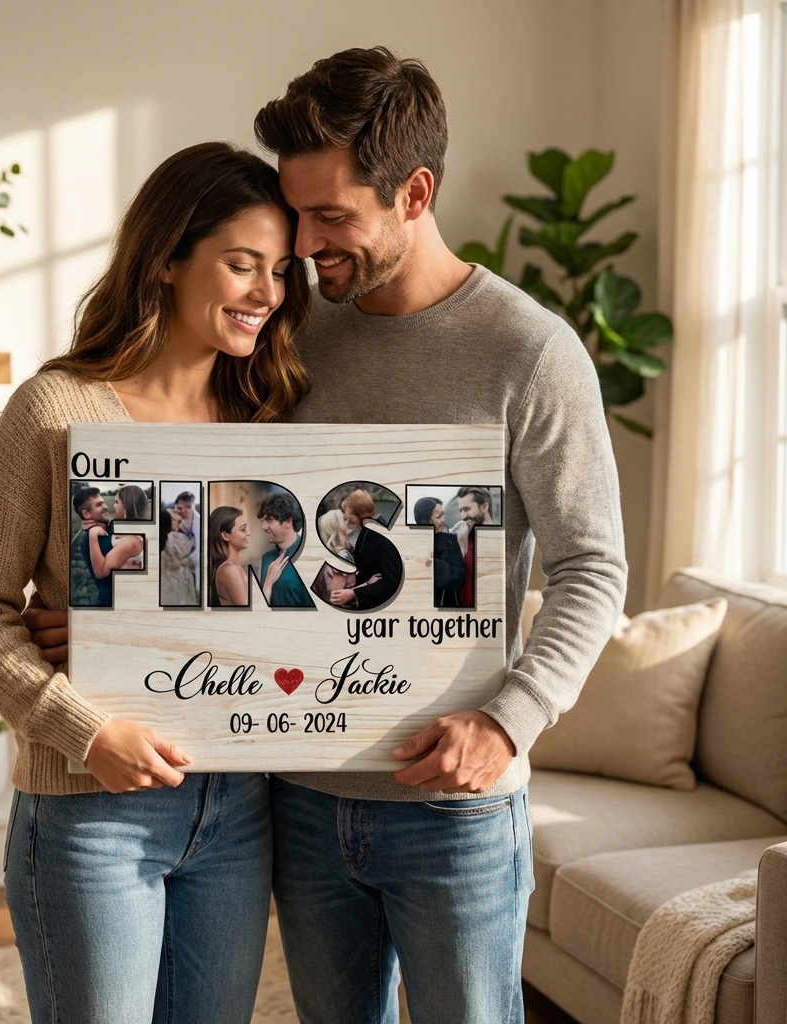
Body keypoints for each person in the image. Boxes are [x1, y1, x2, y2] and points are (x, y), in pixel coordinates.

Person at [252, 46, 627, 1024]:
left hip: (454, 811)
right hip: (299, 791)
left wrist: (510, 718)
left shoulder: (530, 351)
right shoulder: (292, 332)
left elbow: (593, 567)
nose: (301, 243)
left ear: (414, 191)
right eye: (294, 211)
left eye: (331, 215)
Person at [0, 142, 310, 1024]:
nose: (267, 292)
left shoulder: (271, 419)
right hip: (89, 813)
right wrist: (87, 727)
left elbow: (272, 611)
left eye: (283, 272)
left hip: (236, 809)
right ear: (166, 259)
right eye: (242, 264)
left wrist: (118, 628)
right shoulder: (57, 409)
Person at [329, 489, 403, 610]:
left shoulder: (381, 541)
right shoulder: (360, 537)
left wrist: (355, 594)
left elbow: (392, 583)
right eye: (345, 519)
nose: (346, 525)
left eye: (351, 521)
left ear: (365, 518)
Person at [72, 486, 144, 606]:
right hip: (114, 601)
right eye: (99, 505)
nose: (106, 507)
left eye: (104, 503)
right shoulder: (101, 539)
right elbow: (101, 572)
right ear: (86, 513)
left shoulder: (103, 531)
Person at [256, 491, 314, 608]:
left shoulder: (309, 556)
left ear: (288, 522)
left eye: (269, 520)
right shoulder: (266, 558)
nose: (263, 527)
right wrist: (267, 584)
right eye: (262, 520)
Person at [413, 495, 466, 607]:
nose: (443, 520)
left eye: (443, 515)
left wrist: (431, 562)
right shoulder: (414, 541)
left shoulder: (451, 541)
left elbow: (458, 577)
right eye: (438, 516)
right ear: (425, 520)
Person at [452, 486, 495, 608]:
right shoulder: (462, 531)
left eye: (466, 509)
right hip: (459, 615)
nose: (463, 516)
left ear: (484, 507)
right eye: (461, 510)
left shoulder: (497, 540)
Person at [208, 505, 251, 606]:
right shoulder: (230, 569)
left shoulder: (227, 567)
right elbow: (248, 613)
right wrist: (269, 584)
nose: (249, 533)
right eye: (243, 529)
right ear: (225, 535)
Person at [159, 506, 197, 607]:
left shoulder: (167, 536)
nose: (179, 525)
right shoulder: (172, 537)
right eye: (177, 522)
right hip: (175, 578)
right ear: (170, 521)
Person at [172, 490, 201, 594]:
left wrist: (181, 562)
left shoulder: (200, 523)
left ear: (190, 508)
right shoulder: (179, 521)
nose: (176, 510)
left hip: (199, 567)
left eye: (180, 508)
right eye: (176, 507)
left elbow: (200, 553)